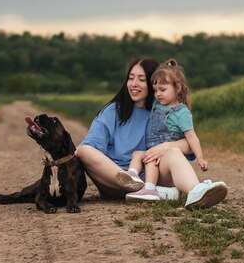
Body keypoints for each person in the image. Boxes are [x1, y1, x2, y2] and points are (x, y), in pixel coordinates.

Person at [116, 59, 228, 209]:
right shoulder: (157, 104)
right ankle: (138, 180)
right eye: (155, 90)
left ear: (178, 87)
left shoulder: (181, 113)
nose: (157, 94)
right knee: (140, 154)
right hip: (153, 159)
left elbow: (192, 137)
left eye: (162, 90)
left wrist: (200, 157)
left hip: (166, 165)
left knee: (173, 151)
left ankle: (195, 190)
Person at [76, 57, 184, 201]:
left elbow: (188, 143)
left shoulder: (165, 111)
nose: (134, 84)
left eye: (141, 79)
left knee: (173, 153)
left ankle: (150, 189)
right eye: (131, 78)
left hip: (152, 175)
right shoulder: (113, 110)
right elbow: (90, 147)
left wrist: (165, 147)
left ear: (154, 83)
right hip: (114, 179)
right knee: (84, 150)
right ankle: (147, 190)